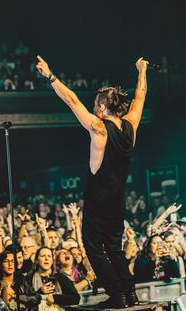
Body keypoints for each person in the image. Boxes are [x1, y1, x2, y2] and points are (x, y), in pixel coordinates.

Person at [36, 55, 149, 308]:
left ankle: (118, 294)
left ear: (101, 107)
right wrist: (142, 70)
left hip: (98, 199)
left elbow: (71, 99)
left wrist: (50, 76)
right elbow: (140, 96)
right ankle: (130, 294)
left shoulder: (98, 127)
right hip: (118, 198)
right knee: (115, 247)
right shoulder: (130, 125)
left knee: (94, 247)